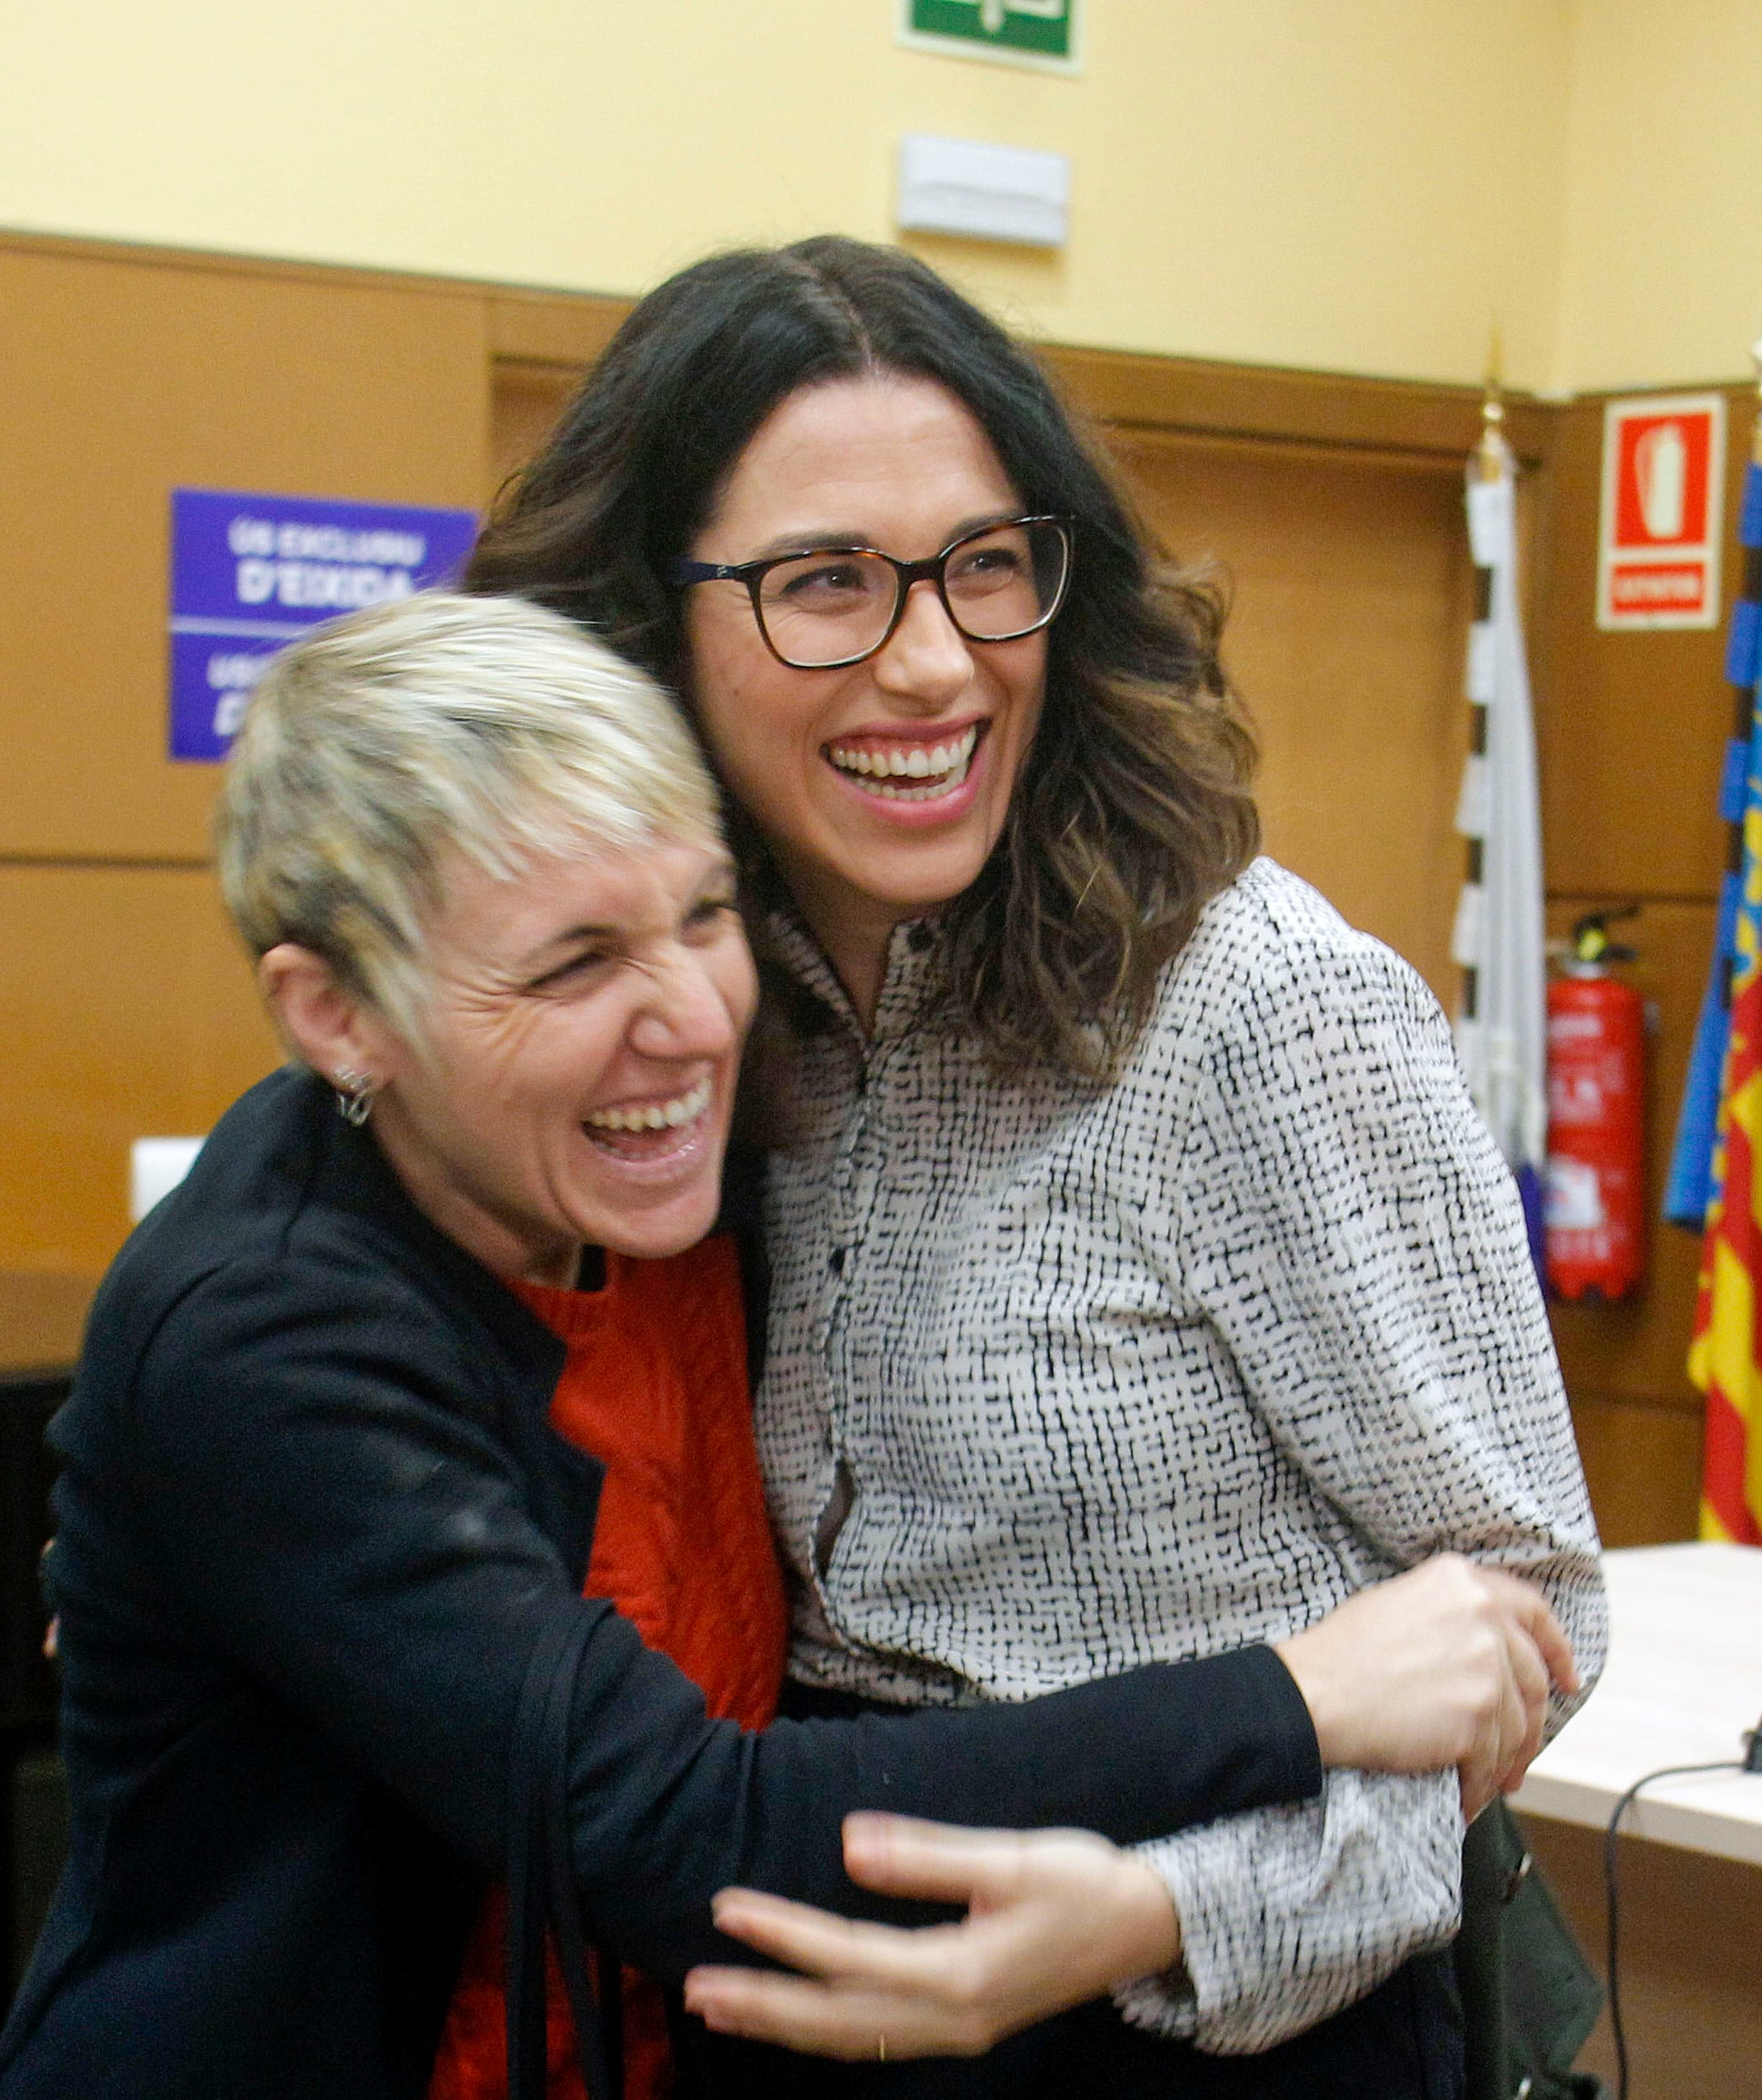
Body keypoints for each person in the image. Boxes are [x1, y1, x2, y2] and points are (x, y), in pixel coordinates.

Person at [0, 592, 1575, 2100]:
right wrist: (1299, 1692)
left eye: (702, 915)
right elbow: (689, 1831)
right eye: (572, 963)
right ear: (336, 1017)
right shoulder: (260, 1333)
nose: (690, 1017)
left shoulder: (676, 1182)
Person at [467, 236, 1605, 2093]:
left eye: (987, 567)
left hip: (1214, 2028)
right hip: (793, 1976)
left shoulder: (1259, 1005)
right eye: (823, 582)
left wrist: (1168, 1912)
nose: (933, 659)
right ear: (648, 619)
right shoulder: (696, 1013)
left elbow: (1534, 1618)